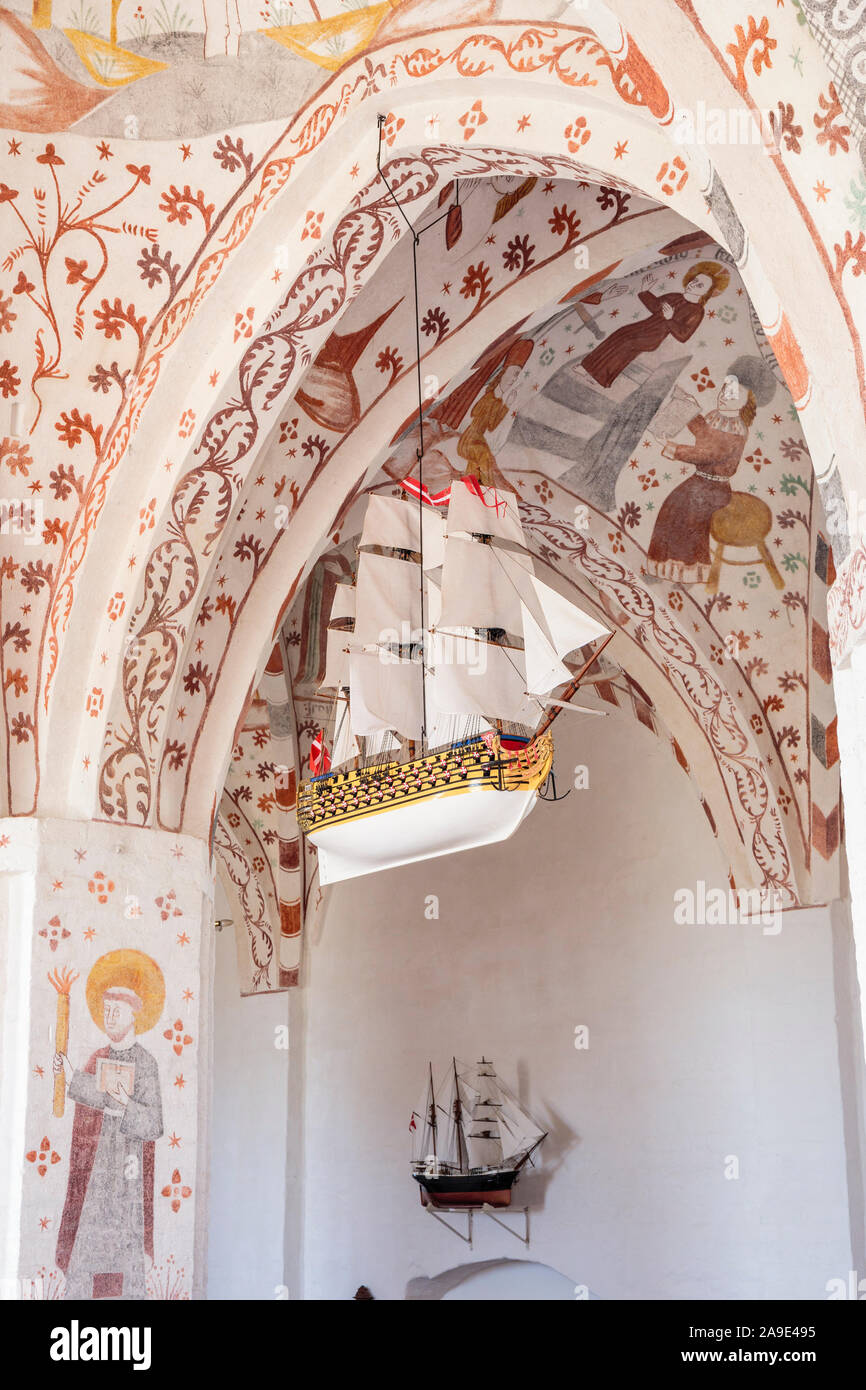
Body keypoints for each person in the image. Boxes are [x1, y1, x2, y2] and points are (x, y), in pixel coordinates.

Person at [54, 950, 164, 1301]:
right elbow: (89, 1094)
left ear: (134, 1013)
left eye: (117, 1009)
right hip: (95, 1178)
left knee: (124, 1258)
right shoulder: (98, 1058)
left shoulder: (146, 1064)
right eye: (105, 1009)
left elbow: (154, 1123)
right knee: (87, 1254)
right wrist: (70, 1072)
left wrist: (124, 1105)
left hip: (128, 1180)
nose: (110, 1016)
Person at [646, 377, 757, 584]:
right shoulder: (718, 417)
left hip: (715, 488)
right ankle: (666, 568)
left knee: (687, 516)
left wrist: (671, 446)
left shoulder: (736, 429)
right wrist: (689, 408)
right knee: (672, 507)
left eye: (731, 395)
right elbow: (703, 432)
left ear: (742, 403)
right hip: (702, 482)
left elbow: (708, 453)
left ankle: (688, 572)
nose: (724, 397)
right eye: (724, 391)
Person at [580, 261, 729, 389]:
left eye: (700, 285)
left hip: (654, 336)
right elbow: (655, 305)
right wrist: (645, 290)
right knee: (621, 332)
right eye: (694, 280)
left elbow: (684, 335)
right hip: (644, 326)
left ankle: (599, 377)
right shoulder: (675, 296)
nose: (694, 284)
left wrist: (670, 319)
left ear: (706, 292)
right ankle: (587, 366)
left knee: (627, 342)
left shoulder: (697, 311)